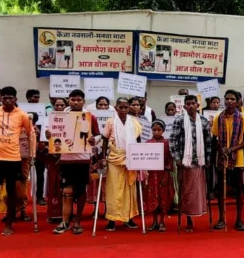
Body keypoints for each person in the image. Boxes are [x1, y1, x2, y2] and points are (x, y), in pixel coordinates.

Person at [0, 86, 33, 236]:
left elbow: (31, 135)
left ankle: (10, 221)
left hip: (13, 159)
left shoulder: (22, 115)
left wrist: (31, 154)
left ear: (15, 99)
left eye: (11, 98)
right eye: (5, 98)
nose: (7, 100)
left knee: (11, 191)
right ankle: (2, 211)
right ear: (1, 99)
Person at [48, 90, 100, 235]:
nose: (75, 102)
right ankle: (65, 221)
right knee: (66, 191)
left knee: (81, 191)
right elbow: (53, 135)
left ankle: (77, 221)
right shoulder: (59, 117)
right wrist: (49, 135)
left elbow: (98, 135)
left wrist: (94, 140)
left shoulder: (91, 117)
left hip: (83, 158)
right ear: (68, 100)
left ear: (83, 101)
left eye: (78, 100)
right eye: (73, 100)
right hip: (65, 158)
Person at [211, 90, 244, 231]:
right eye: (227, 98)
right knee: (222, 190)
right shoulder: (218, 117)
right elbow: (214, 138)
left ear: (238, 102)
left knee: (239, 189)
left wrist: (232, 149)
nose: (229, 101)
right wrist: (221, 150)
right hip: (222, 158)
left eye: (232, 99)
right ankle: (221, 219)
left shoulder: (243, 118)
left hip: (238, 159)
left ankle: (239, 220)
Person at [170, 95, 211, 232]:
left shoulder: (204, 121)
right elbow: (173, 140)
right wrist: (177, 158)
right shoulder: (179, 120)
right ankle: (188, 220)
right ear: (184, 106)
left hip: (199, 162)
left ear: (198, 105)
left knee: (197, 192)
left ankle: (196, 214)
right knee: (186, 192)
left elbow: (208, 142)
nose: (191, 106)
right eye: (188, 104)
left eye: (193, 103)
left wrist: (208, 159)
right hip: (185, 162)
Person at [102, 97, 142, 231]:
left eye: (126, 107)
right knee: (113, 190)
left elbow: (138, 140)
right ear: (116, 108)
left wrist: (139, 157)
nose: (124, 110)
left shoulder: (135, 122)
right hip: (114, 158)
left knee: (130, 190)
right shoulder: (111, 122)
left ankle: (128, 218)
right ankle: (112, 220)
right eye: (121, 107)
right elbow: (104, 140)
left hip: (130, 158)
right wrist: (102, 158)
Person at [143, 120, 174, 232]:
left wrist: (166, 175)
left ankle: (162, 221)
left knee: (163, 198)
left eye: (159, 130)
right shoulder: (148, 143)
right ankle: (154, 221)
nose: (156, 132)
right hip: (152, 175)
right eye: (154, 130)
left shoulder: (167, 143)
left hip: (163, 174)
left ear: (163, 131)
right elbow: (145, 160)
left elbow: (170, 160)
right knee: (152, 198)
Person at [45, 97, 68, 222]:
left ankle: (67, 212)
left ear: (66, 106)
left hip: (68, 157)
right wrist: (47, 136)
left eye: (61, 105)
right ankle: (53, 214)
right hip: (54, 158)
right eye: (57, 105)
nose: (59, 107)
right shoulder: (48, 119)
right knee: (53, 184)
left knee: (67, 186)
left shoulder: (71, 119)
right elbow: (44, 139)